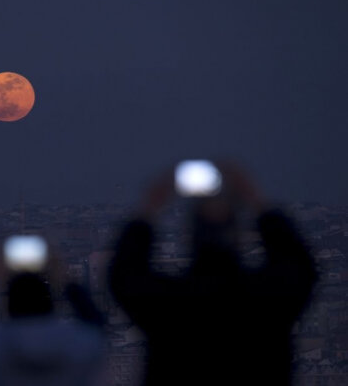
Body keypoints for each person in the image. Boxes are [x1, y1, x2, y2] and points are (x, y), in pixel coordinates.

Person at [109, 163, 317, 386]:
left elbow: (124, 273)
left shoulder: (170, 304)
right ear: (237, 234)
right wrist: (258, 202)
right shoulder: (267, 299)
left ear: (191, 236)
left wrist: (149, 208)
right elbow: (300, 266)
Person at [0, 237, 106, 386]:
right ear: (52, 304)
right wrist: (63, 277)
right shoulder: (73, 342)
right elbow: (97, 324)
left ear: (8, 305)